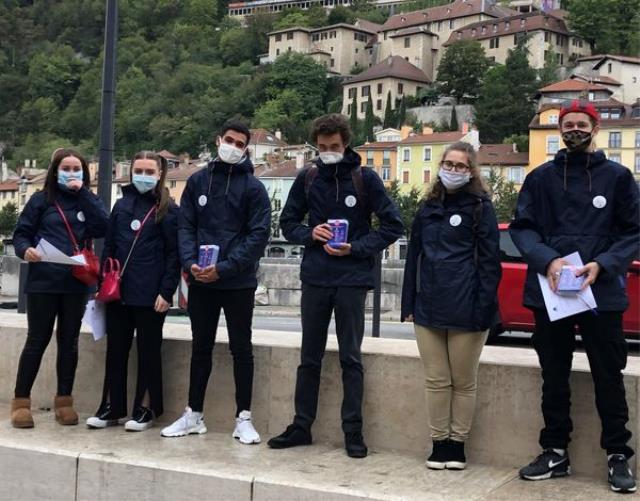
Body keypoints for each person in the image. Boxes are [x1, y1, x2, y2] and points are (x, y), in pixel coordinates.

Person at [510, 100, 640, 493]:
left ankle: (618, 455)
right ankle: (554, 450)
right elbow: (523, 229)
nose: (574, 130)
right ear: (559, 131)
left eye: (582, 124)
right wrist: (547, 261)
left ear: (595, 128)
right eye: (568, 124)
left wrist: (602, 264)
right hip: (551, 292)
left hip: (600, 292)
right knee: (554, 376)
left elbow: (632, 232)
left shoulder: (619, 178)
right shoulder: (540, 178)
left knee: (608, 375)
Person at [267, 114, 403, 458]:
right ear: (316, 146)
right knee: (308, 357)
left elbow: (392, 226)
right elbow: (287, 223)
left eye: (335, 147)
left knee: (351, 358)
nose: (329, 152)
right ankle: (301, 426)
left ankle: (353, 432)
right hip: (315, 276)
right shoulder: (308, 178)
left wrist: (355, 247)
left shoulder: (366, 178)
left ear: (346, 144)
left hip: (352, 280)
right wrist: (310, 234)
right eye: (323, 147)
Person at [161, 121, 270, 444]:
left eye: (240, 144)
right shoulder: (197, 182)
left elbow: (258, 236)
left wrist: (224, 268)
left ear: (246, 149)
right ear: (217, 139)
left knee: (242, 348)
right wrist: (190, 263)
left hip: (237, 282)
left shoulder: (254, 188)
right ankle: (193, 413)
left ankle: (244, 418)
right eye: (229, 140)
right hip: (201, 280)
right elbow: (185, 228)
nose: (233, 147)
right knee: (200, 348)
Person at [401, 141, 501, 470]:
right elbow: (414, 256)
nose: (453, 170)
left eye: (461, 166)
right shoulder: (427, 207)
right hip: (428, 305)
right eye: (449, 164)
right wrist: (408, 304)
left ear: (471, 172)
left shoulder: (481, 207)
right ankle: (438, 443)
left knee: (463, 380)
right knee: (436, 379)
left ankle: (457, 445)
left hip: (468, 306)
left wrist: (484, 309)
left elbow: (490, 264)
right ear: (441, 166)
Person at [11, 148, 109, 428]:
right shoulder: (41, 201)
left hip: (76, 283)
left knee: (69, 343)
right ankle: (21, 402)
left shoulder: (87, 202)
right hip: (44, 281)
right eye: (65, 168)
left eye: (76, 168)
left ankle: (64, 401)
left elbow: (104, 225)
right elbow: (22, 233)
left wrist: (86, 194)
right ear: (55, 171)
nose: (71, 173)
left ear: (84, 172)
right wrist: (25, 250)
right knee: (37, 341)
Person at [86, 151, 180, 431]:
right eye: (139, 170)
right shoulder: (121, 206)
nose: (143, 175)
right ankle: (111, 407)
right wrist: (103, 281)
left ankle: (146, 407)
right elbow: (110, 248)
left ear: (159, 174)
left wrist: (166, 292)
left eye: (150, 171)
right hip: (119, 292)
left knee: (148, 351)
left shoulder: (169, 210)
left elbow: (174, 255)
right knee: (116, 351)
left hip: (151, 295)